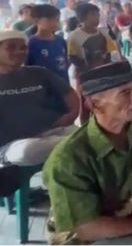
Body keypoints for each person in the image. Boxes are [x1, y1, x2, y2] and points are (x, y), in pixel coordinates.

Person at [43, 62, 132, 244]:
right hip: (83, 232)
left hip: (128, 205)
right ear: (95, 104)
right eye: (125, 94)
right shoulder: (67, 160)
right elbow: (86, 227)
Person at [0, 30, 78, 167]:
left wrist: (72, 114)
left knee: (92, 135)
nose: (19, 51)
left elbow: (69, 93)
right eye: (11, 47)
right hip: (12, 145)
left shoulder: (38, 73)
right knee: (29, 151)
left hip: (51, 131)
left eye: (23, 47)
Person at [67, 3, 118, 81]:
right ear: (83, 17)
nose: (97, 17)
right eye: (93, 14)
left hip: (103, 73)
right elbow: (72, 57)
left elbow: (109, 52)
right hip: (85, 76)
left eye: (98, 14)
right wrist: (87, 68)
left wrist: (105, 67)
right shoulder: (74, 36)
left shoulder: (104, 33)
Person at [26, 4, 70, 82]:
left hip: (63, 84)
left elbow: (65, 62)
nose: (54, 23)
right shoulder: (31, 43)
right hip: (42, 87)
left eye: (56, 20)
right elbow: (27, 67)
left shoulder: (60, 40)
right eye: (49, 20)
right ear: (36, 21)